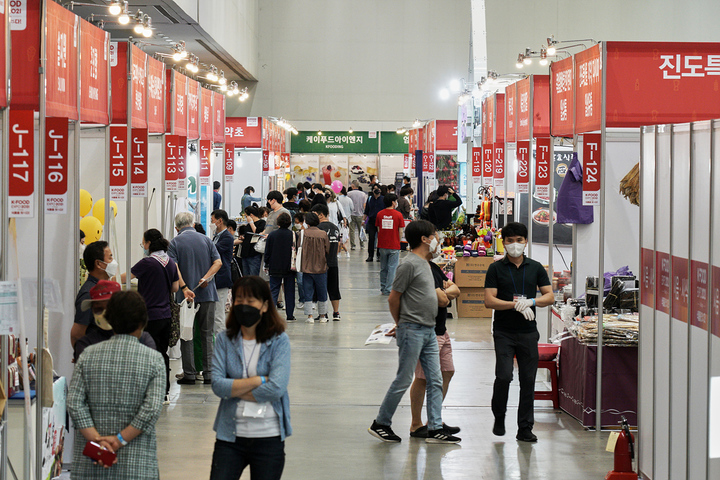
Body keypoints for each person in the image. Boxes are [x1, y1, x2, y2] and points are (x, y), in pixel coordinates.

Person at [368, 220, 461, 444]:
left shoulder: (427, 264)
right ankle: (381, 423)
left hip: (430, 329)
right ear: (424, 239)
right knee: (404, 378)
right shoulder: (408, 264)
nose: (438, 239)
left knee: (436, 378)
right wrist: (400, 324)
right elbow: (394, 298)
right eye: (435, 235)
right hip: (412, 329)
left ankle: (435, 427)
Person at [67, 290, 165, 479]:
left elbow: (74, 403)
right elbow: (151, 410)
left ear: (110, 320)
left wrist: (99, 443)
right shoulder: (154, 360)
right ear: (143, 322)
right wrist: (118, 441)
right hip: (137, 464)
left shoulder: (88, 355)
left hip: (92, 462)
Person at [209, 276, 291, 480]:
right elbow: (218, 385)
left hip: (269, 437)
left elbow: (277, 388)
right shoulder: (224, 339)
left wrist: (234, 390)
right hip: (230, 436)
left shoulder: (279, 340)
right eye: (239, 300)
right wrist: (259, 380)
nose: (244, 306)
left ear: (264, 306)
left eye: (250, 301)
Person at [484, 221, 554, 443]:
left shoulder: (535, 267)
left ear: (526, 242)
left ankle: (525, 427)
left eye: (519, 240)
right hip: (504, 331)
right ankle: (499, 416)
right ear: (503, 243)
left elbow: (549, 296)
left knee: (528, 379)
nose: (515, 245)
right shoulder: (495, 268)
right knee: (504, 376)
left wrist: (532, 301)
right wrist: (514, 304)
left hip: (528, 332)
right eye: (510, 241)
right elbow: (489, 301)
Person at [123, 229, 179, 401]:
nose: (143, 246)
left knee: (147, 355)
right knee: (162, 353)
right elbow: (175, 288)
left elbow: (126, 277)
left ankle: (150, 391)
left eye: (143, 243)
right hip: (166, 316)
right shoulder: (170, 262)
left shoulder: (147, 263)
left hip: (149, 316)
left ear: (148, 244)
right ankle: (164, 392)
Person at [409, 256, 461, 438]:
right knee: (423, 378)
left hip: (441, 330)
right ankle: (416, 425)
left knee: (447, 371)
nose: (437, 240)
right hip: (428, 331)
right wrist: (447, 292)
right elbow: (442, 300)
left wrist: (447, 291)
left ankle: (434, 420)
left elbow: (456, 289)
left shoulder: (433, 267)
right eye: (434, 236)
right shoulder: (419, 268)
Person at [168, 211, 222, 386]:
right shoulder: (206, 240)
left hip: (185, 299)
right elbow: (218, 262)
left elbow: (173, 267)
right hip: (207, 294)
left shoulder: (175, 243)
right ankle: (209, 374)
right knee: (207, 334)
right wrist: (206, 278)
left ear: (176, 228)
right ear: (192, 223)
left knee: (187, 334)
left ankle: (190, 373)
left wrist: (184, 288)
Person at [74, 280, 157, 363]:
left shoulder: (143, 339)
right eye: (98, 309)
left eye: (109, 308)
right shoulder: (85, 343)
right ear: (92, 310)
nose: (105, 314)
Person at [71, 240, 118, 347]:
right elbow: (77, 333)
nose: (113, 262)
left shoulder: (108, 288)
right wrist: (81, 355)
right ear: (98, 263)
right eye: (110, 258)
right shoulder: (89, 294)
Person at [264, 213, 298, 323]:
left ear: (278, 222)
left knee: (274, 290)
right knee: (289, 291)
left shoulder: (272, 235)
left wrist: (267, 263)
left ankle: (272, 315)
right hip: (290, 267)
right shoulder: (293, 235)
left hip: (275, 266)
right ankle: (290, 315)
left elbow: (267, 252)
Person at [298, 212, 330, 323]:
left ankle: (310, 316)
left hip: (306, 267)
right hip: (321, 267)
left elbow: (298, 248)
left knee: (308, 291)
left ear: (306, 221)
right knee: (322, 291)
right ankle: (322, 316)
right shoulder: (323, 234)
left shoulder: (302, 233)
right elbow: (327, 250)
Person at [312, 204, 342, 321]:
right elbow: (339, 245)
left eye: (314, 214)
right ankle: (336, 313)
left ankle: (323, 314)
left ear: (321, 214)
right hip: (333, 262)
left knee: (321, 288)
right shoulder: (335, 227)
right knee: (334, 288)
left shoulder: (318, 228)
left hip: (321, 264)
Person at [375, 194, 405, 296]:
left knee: (383, 268)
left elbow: (378, 229)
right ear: (393, 202)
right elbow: (400, 231)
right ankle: (389, 289)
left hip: (382, 244)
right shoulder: (398, 215)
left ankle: (383, 288)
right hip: (394, 245)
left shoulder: (379, 214)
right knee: (392, 268)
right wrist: (398, 241)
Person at [212, 210, 236, 334]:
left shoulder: (227, 237)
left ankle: (221, 345)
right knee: (215, 314)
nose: (212, 223)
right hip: (215, 278)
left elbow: (215, 250)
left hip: (222, 278)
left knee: (219, 315)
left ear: (220, 221)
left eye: (213, 221)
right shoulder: (217, 236)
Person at [239, 206, 266, 276]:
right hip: (245, 253)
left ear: (251, 215)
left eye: (246, 216)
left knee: (253, 276)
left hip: (254, 254)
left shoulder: (262, 223)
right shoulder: (248, 225)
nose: (245, 218)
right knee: (245, 276)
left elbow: (257, 233)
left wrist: (251, 222)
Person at [363, 186, 385, 262]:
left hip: (381, 221)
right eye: (375, 189)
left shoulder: (383, 199)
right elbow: (366, 211)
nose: (376, 191)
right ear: (372, 191)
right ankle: (370, 255)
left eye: (378, 189)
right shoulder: (370, 199)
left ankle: (379, 255)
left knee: (380, 239)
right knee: (371, 238)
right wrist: (363, 220)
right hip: (372, 221)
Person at [347, 181, 367, 251]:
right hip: (360, 214)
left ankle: (353, 245)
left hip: (351, 214)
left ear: (352, 186)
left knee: (351, 231)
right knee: (360, 230)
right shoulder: (363, 194)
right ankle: (362, 245)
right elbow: (364, 205)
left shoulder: (349, 194)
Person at [337, 187, 354, 255]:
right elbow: (352, 208)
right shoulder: (349, 199)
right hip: (347, 219)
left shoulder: (337, 199)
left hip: (339, 220)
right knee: (345, 233)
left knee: (339, 234)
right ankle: (343, 245)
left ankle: (340, 246)